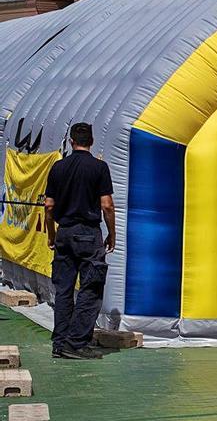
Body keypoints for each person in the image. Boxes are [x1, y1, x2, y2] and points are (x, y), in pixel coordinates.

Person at [44, 123, 116, 360]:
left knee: (63, 290)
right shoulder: (99, 167)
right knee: (91, 289)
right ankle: (76, 343)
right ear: (92, 141)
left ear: (71, 142)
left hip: (64, 232)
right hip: (88, 234)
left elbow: (49, 206)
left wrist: (52, 235)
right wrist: (111, 233)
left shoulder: (58, 167)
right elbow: (106, 205)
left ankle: (60, 342)